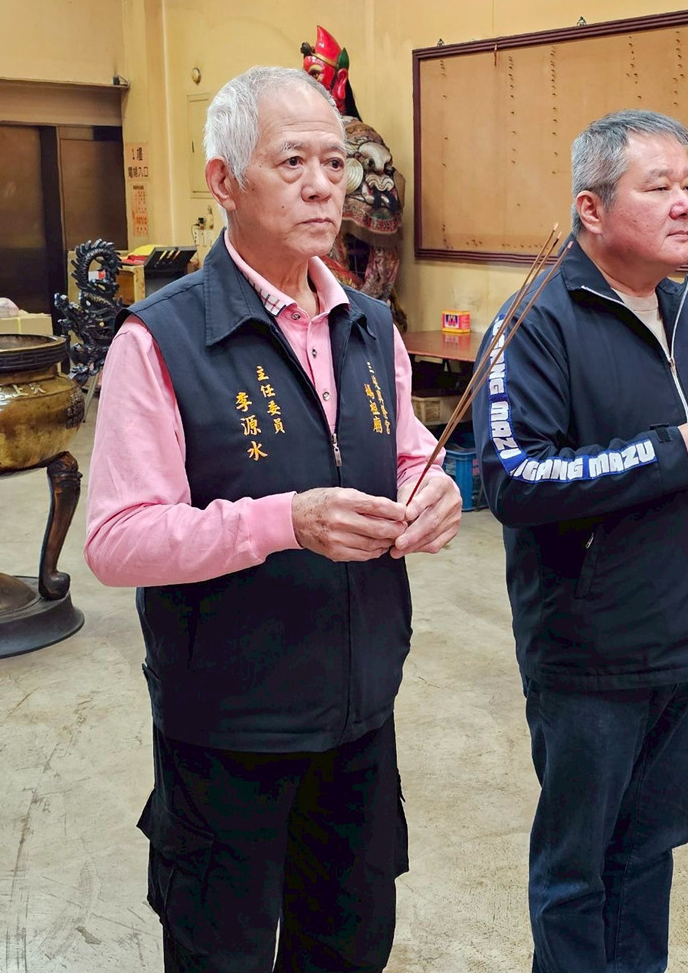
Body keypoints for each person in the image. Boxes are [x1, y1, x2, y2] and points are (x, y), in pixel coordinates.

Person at [84, 65, 463, 973]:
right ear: (224, 181)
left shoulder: (370, 325)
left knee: (351, 942)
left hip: (360, 710)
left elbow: (406, 446)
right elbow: (116, 539)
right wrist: (284, 520)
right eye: (292, 161)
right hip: (230, 726)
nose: (324, 185)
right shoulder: (161, 338)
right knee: (224, 952)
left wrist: (434, 486)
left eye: (334, 162)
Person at [475, 108, 688, 973]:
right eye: (660, 186)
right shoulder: (536, 321)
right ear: (592, 208)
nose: (686, 203)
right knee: (577, 868)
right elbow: (514, 478)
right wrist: (674, 452)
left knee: (650, 852)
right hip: (591, 654)